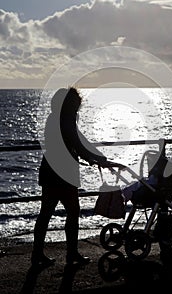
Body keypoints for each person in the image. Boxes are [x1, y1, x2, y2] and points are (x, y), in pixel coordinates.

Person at [31, 86, 111, 267]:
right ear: (70, 104)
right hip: (63, 175)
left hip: (50, 172)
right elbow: (79, 143)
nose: (77, 109)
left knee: (45, 214)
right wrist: (96, 158)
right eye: (76, 105)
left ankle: (37, 254)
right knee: (73, 213)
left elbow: (79, 142)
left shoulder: (54, 119)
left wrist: (96, 156)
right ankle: (72, 254)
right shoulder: (65, 120)